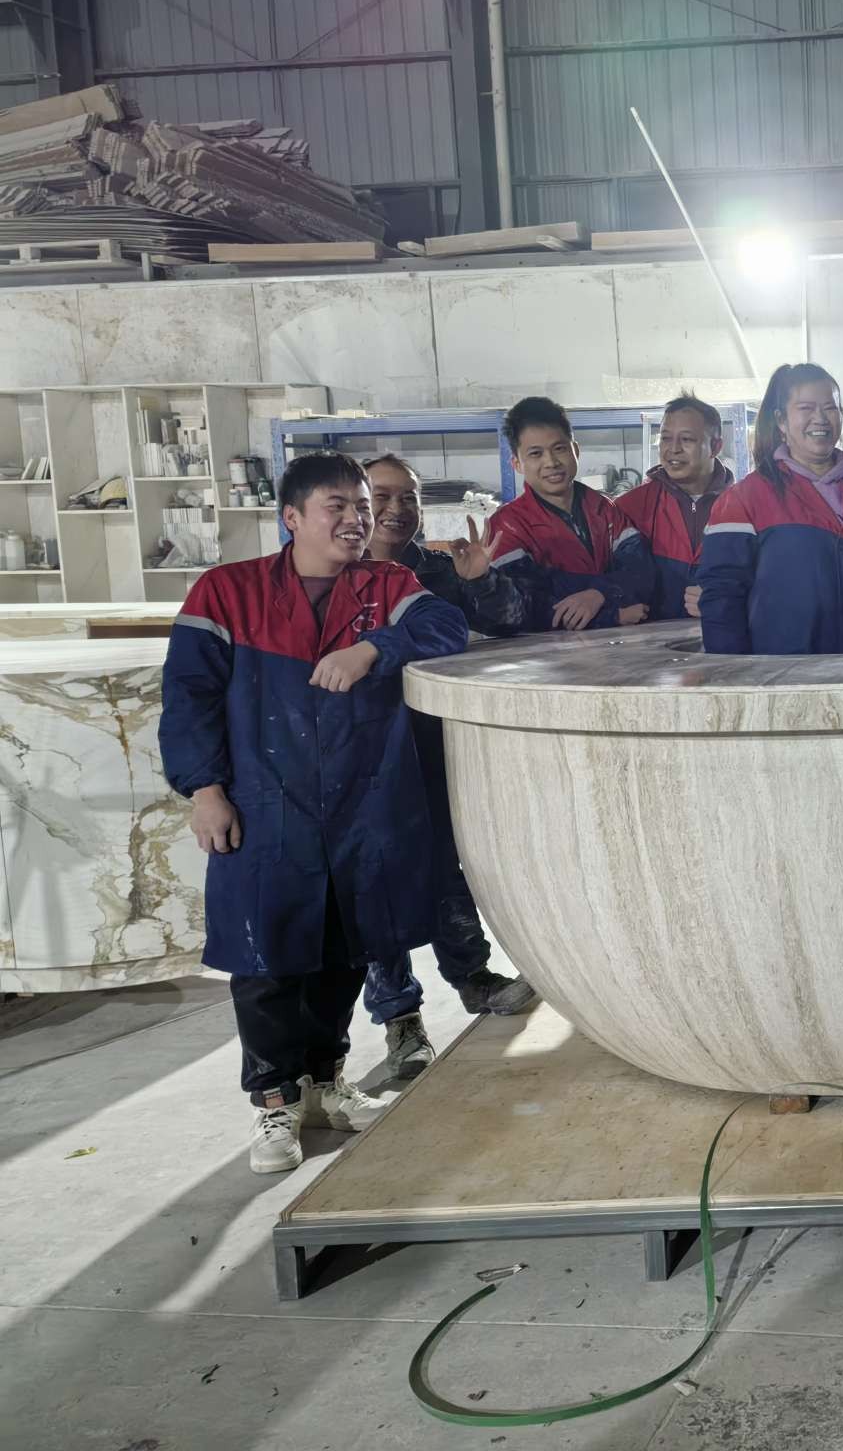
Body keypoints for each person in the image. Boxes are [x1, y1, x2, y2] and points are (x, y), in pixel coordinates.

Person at [159, 451, 470, 1173]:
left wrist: (374, 648)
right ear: (292, 516)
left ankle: (326, 1083)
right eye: (339, 506)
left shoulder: (387, 586)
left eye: (362, 506)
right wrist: (205, 790)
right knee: (266, 959)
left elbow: (446, 628)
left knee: (344, 948)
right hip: (266, 807)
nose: (359, 519)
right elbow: (188, 696)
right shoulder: (227, 592)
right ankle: (275, 1102)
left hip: (363, 806)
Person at [358, 455, 537, 1080]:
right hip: (362, 750)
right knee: (376, 879)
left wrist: (481, 579)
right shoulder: (334, 575)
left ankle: (472, 976)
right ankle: (399, 1017)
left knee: (444, 860)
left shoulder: (437, 570)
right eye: (381, 496)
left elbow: (507, 623)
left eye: (407, 497)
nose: (397, 509)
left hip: (430, 739)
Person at [697, 363, 843, 655]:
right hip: (783, 675)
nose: (821, 418)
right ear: (781, 420)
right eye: (806, 408)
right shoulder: (745, 498)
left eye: (830, 408)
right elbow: (722, 602)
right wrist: (735, 674)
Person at [487, 396, 655, 631]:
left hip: (613, 644)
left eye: (559, 448)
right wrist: (612, 615)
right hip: (545, 650)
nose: (551, 462)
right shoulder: (506, 526)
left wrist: (598, 593)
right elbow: (525, 603)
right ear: (517, 464)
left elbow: (642, 571)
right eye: (535, 454)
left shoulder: (604, 509)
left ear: (575, 450)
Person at [617, 393, 735, 621]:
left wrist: (725, 599)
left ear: (715, 446)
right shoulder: (629, 508)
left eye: (687, 439)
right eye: (665, 438)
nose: (673, 449)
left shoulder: (744, 508)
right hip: (650, 641)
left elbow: (767, 583)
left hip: (722, 636)